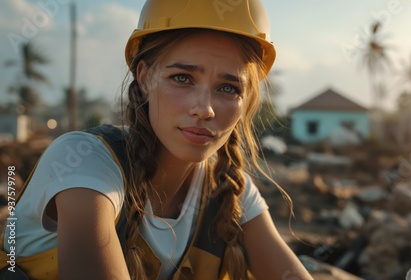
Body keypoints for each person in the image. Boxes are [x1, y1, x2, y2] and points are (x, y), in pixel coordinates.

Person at [0, 0, 313, 279]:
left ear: (246, 101)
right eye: (182, 78)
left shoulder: (232, 191)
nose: (204, 109)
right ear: (144, 77)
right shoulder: (85, 163)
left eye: (228, 88)